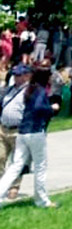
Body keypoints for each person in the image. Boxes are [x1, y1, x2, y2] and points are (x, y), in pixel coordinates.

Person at [0, 65, 60, 208]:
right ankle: (42, 200)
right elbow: (39, 107)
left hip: (22, 132)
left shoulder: (29, 89)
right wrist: (51, 108)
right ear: (46, 77)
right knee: (40, 166)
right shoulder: (39, 90)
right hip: (35, 132)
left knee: (15, 166)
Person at [0, 64, 32, 200]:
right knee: (0, 157)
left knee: (17, 162)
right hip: (3, 128)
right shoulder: (9, 90)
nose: (16, 78)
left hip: (19, 130)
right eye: (15, 75)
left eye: (19, 75)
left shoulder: (30, 91)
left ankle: (14, 187)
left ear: (27, 75)